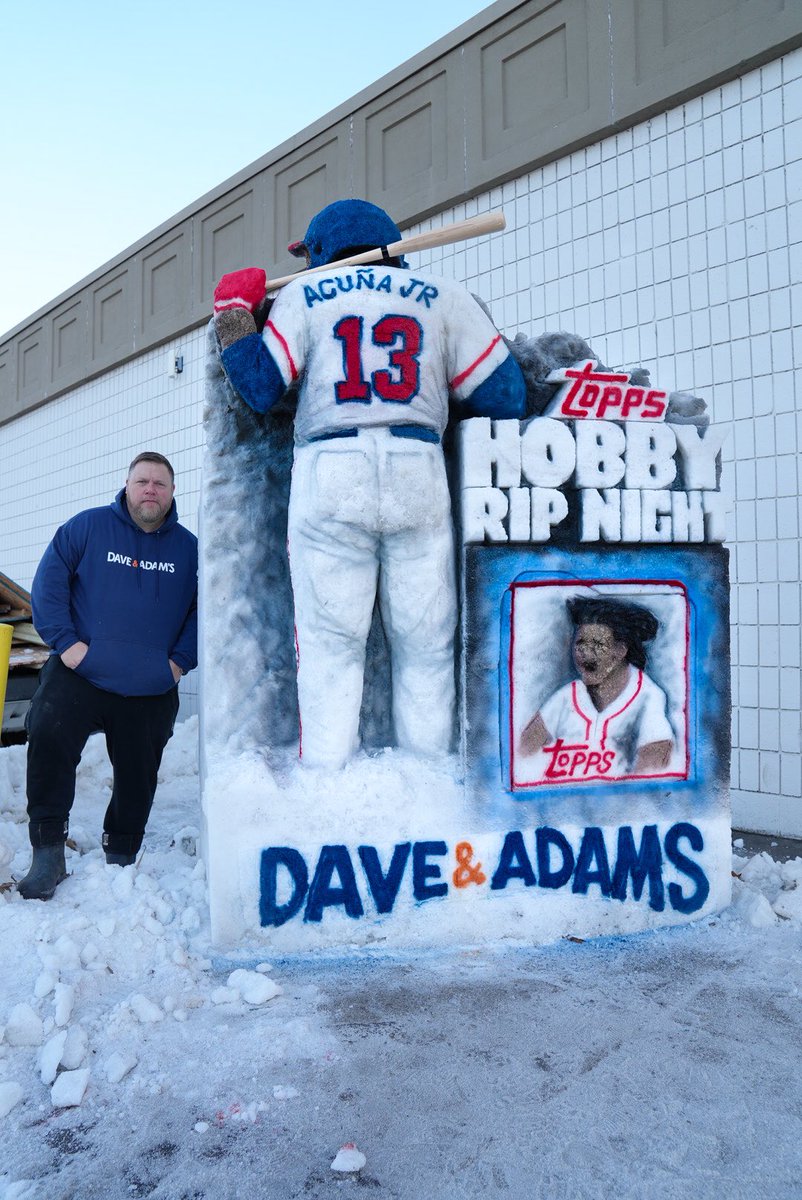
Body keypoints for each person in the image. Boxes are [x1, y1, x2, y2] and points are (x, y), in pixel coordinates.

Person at [213, 198, 526, 769]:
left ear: (323, 251)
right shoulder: (445, 296)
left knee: (331, 646)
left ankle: (327, 774)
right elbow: (505, 396)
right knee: (427, 645)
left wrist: (234, 313)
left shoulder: (303, 296)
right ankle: (426, 770)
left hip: (331, 467)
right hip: (418, 466)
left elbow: (260, 388)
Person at [17, 452, 198, 900]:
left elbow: (204, 610)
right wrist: (68, 646)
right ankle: (48, 853)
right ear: (127, 485)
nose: (150, 490)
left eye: (160, 483)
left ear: (173, 492)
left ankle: (121, 851)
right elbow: (49, 585)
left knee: (139, 770)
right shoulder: (88, 527)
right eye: (142, 481)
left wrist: (178, 663)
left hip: (151, 685)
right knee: (48, 735)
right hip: (81, 671)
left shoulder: (190, 548)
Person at [518, 597, 675, 781]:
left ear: (620, 650)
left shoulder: (649, 697)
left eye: (598, 645)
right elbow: (521, 755)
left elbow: (652, 772)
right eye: (580, 643)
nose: (586, 653)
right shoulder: (567, 696)